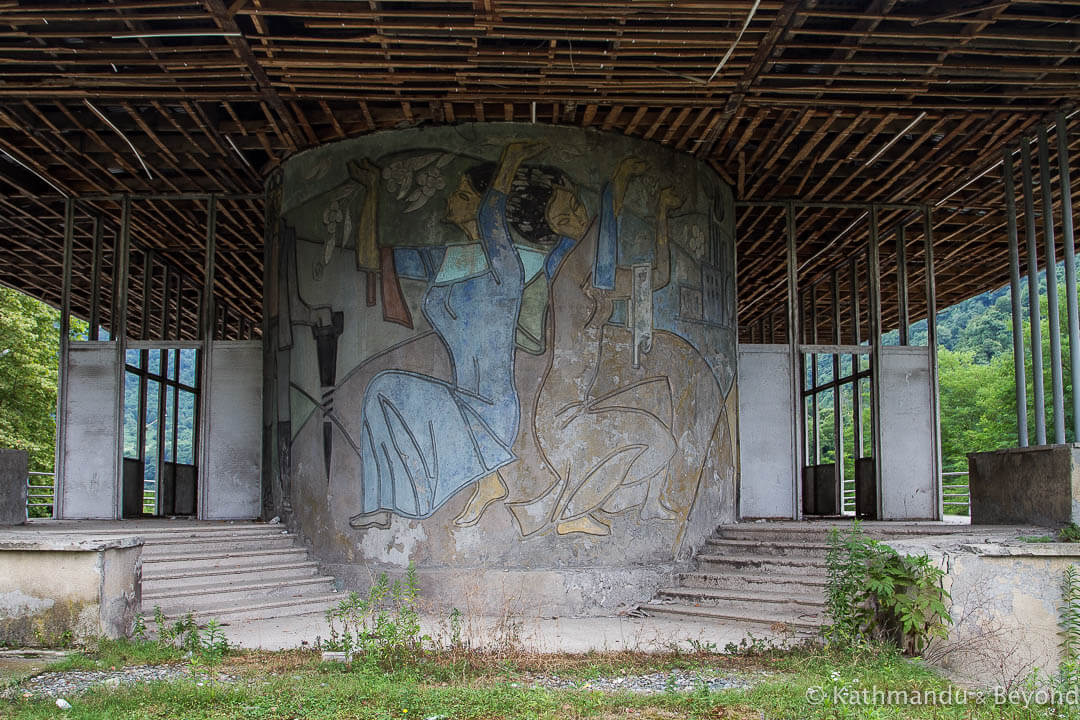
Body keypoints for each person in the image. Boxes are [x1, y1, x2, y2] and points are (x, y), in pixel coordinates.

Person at [348, 140, 544, 528]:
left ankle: (484, 481)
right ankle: (387, 506)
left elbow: (492, 214)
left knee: (384, 387)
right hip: (460, 397)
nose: (449, 199)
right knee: (381, 390)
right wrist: (372, 191)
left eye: (459, 193)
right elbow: (371, 258)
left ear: (477, 202)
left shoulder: (507, 266)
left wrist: (510, 161)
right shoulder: (445, 261)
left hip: (492, 407)